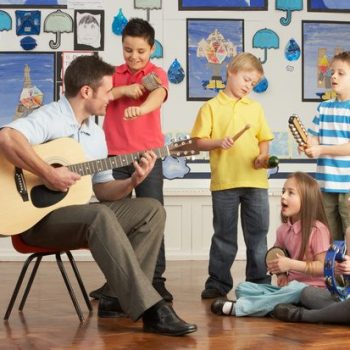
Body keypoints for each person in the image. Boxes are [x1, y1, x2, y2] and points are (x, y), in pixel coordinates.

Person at [0, 55, 197, 336]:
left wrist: (132, 180)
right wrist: (47, 173)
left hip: (75, 216)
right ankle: (152, 309)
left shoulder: (96, 134)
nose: (111, 98)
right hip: (35, 223)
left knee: (152, 209)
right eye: (107, 92)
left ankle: (116, 298)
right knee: (99, 215)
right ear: (86, 92)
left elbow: (104, 190)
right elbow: (7, 138)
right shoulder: (51, 117)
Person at [91, 18, 172, 302]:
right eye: (128, 50)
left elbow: (158, 94)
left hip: (149, 155)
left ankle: (156, 280)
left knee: (154, 216)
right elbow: (101, 99)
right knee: (112, 223)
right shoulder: (113, 74)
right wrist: (122, 91)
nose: (134, 57)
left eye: (140, 51)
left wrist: (140, 109)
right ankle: (114, 282)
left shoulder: (156, 73)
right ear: (122, 47)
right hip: (113, 156)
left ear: (151, 49)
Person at [191, 52, 274, 299]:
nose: (249, 86)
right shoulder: (210, 108)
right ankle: (218, 282)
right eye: (246, 79)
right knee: (224, 236)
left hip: (256, 182)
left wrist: (262, 156)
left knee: (258, 236)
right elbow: (198, 142)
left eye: (253, 83)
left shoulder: (256, 108)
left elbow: (264, 140)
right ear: (230, 71)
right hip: (225, 182)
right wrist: (218, 142)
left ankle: (258, 282)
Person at [211, 172, 331, 317]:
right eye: (283, 191)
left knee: (296, 290)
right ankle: (275, 306)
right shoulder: (283, 230)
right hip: (289, 289)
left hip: (312, 291)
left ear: (307, 200)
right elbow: (275, 256)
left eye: (290, 193)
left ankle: (240, 308)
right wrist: (281, 274)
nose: (283, 196)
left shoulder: (318, 230)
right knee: (243, 288)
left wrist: (290, 264)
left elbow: (324, 267)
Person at [302, 51, 350, 241]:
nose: (334, 76)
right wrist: (309, 147)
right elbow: (314, 138)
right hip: (325, 183)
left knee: (349, 234)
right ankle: (335, 271)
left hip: (348, 186)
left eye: (341, 73)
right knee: (329, 235)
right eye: (332, 72)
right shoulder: (323, 108)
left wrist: (321, 149)